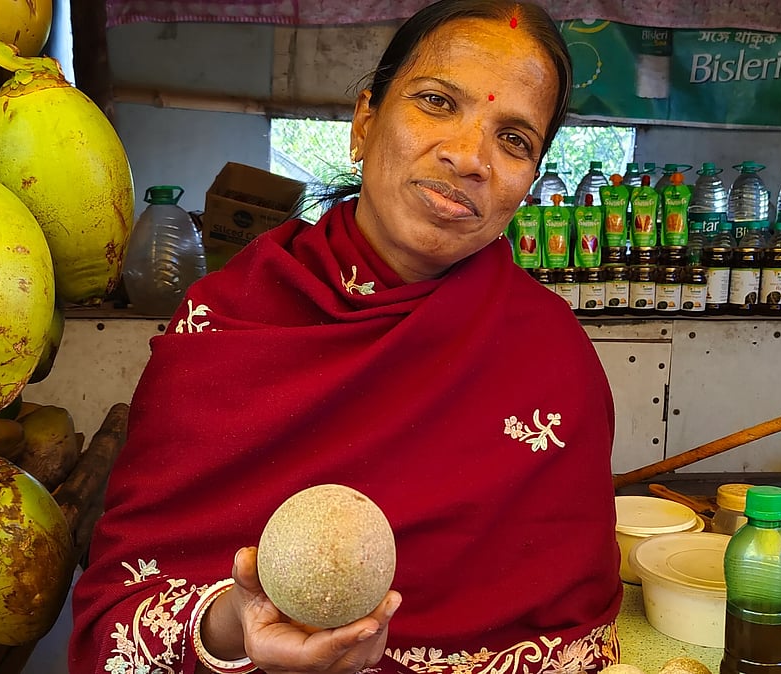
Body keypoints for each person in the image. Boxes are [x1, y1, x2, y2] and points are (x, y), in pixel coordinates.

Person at [69, 1, 623, 672]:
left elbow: (577, 644)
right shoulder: (229, 322)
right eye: (437, 102)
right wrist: (235, 623)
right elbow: (115, 621)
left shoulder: (551, 359)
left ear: (530, 179)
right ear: (365, 120)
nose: (469, 156)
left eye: (514, 139)